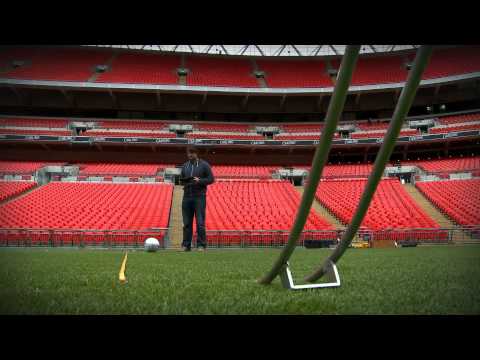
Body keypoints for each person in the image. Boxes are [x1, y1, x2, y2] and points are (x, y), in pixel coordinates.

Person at [179, 146, 214, 251]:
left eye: (191, 153)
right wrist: (184, 181)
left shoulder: (204, 165)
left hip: (199, 197)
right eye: (188, 153)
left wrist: (200, 181)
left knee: (200, 223)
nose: (189, 155)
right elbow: (180, 181)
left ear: (196, 153)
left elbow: (211, 179)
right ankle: (186, 245)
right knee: (187, 223)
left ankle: (201, 245)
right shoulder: (185, 166)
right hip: (186, 197)